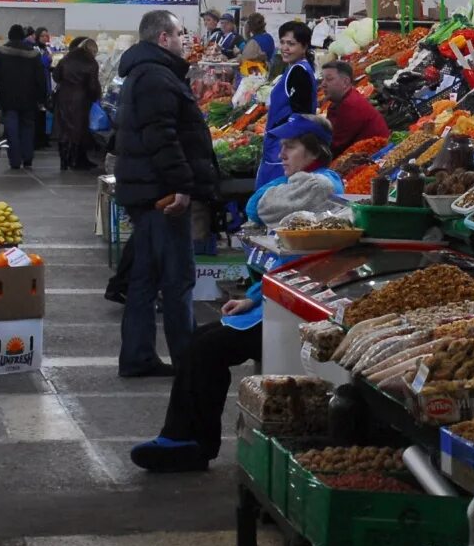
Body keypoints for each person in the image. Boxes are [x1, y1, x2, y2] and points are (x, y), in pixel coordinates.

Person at [132, 115, 342, 472]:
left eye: (291, 146)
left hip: (299, 312)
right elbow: (280, 250)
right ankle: (185, 438)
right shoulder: (299, 181)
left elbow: (260, 206)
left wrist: (267, 196)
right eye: (282, 145)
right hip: (277, 297)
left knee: (205, 347)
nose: (282, 152)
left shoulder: (320, 185)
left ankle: (190, 443)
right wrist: (254, 297)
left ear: (314, 151)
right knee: (202, 341)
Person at [114, 10, 219, 378]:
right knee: (177, 279)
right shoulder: (156, 76)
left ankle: (139, 356)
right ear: (163, 38)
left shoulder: (145, 72)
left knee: (145, 278)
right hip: (161, 196)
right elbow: (162, 136)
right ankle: (188, 359)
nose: (184, 39)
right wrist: (181, 185)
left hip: (146, 190)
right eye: (179, 33)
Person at [254, 20, 316, 189]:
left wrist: (283, 141)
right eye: (282, 42)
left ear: (304, 47)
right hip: (282, 146)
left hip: (282, 149)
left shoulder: (298, 72)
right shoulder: (296, 68)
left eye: (291, 44)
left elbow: (300, 115)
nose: (285, 48)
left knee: (272, 199)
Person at [0, 25, 47, 170]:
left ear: (9, 35)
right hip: (29, 98)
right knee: (28, 129)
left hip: (8, 98)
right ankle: (27, 159)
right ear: (23, 36)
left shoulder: (1, 52)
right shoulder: (33, 54)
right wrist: (42, 98)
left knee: (11, 129)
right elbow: (41, 78)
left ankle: (14, 161)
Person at [53, 37, 103, 171]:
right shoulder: (91, 63)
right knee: (79, 130)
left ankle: (64, 161)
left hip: (64, 97)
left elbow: (56, 76)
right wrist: (96, 97)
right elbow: (93, 85)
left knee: (64, 129)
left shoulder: (66, 59)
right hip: (81, 99)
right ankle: (76, 161)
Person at [319, 59, 386, 155]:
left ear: (345, 82)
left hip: (376, 156)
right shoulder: (338, 102)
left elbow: (334, 147)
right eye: (322, 80)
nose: (323, 84)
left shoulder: (351, 105)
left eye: (329, 79)